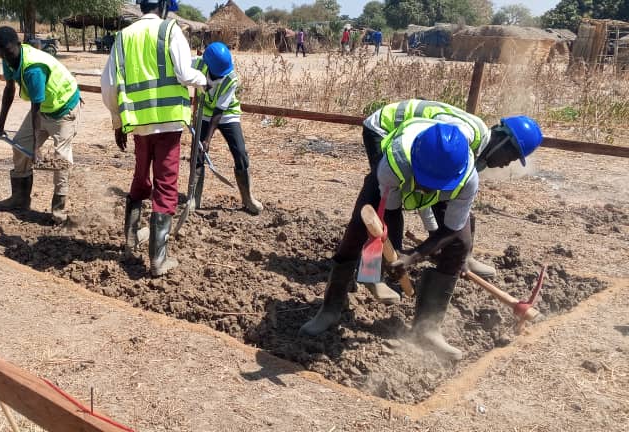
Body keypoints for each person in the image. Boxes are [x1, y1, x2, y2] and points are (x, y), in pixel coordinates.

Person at [299, 117, 541, 361]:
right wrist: (393, 253)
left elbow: (452, 230)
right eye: (426, 181)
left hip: (440, 179)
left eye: (435, 185)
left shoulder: (467, 178)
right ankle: (330, 309)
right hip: (396, 175)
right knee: (357, 230)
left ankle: (428, 328)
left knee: (460, 245)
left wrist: (413, 257)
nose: (426, 190)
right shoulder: (393, 164)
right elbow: (389, 215)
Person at [359, 99, 543, 299]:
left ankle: (464, 257)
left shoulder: (474, 158)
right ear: (503, 142)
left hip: (416, 148)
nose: (506, 164)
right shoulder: (460, 137)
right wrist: (402, 253)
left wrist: (432, 244)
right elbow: (418, 190)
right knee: (378, 201)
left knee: (455, 213)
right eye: (511, 157)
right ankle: (372, 274)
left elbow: (447, 201)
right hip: (384, 129)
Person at [101, 0, 207, 277]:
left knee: (140, 178)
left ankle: (130, 239)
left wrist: (117, 123)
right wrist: (203, 80)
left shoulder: (123, 37)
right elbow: (185, 74)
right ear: (163, 6)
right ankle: (158, 259)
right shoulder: (170, 31)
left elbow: (109, 86)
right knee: (166, 185)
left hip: (138, 124)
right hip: (169, 122)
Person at [0, 26, 81, 224]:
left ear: (19, 45)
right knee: (19, 145)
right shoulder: (8, 59)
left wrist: (36, 148)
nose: (8, 57)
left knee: (61, 159)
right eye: (3, 53)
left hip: (64, 108)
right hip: (44, 107)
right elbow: (9, 90)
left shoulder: (33, 68)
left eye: (10, 52)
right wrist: (0, 125)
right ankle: (20, 198)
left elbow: (36, 107)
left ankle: (59, 212)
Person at [191, 42, 264, 215]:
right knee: (198, 152)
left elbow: (219, 111)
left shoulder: (231, 78)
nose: (219, 75)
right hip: (204, 113)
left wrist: (208, 139)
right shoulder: (197, 63)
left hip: (226, 114)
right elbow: (179, 68)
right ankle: (194, 197)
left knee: (240, 152)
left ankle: (248, 198)